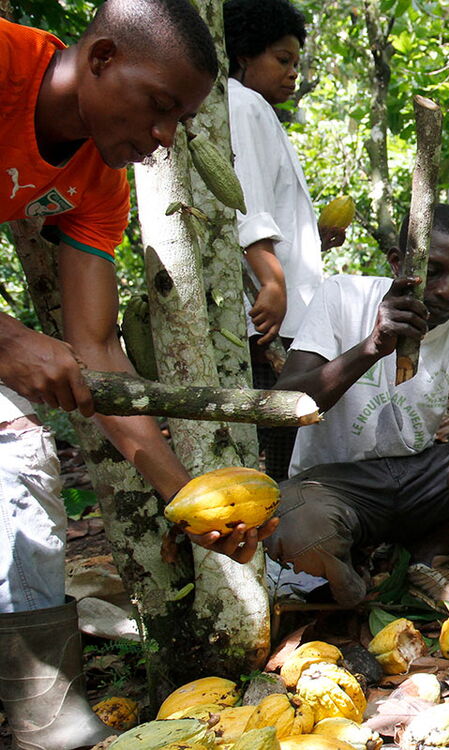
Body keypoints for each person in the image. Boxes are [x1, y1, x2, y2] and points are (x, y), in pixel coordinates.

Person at [0, 2, 267, 747]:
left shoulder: (97, 177)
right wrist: (8, 337)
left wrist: (186, 496)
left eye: (180, 120)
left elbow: (98, 353)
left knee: (16, 454)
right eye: (159, 107)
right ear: (102, 58)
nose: (163, 138)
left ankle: (43, 718)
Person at [266, 204, 449, 607]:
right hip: (335, 484)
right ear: (398, 263)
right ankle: (358, 581)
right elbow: (283, 406)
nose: (446, 291)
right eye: (433, 271)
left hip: (416, 481)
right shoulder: (341, 296)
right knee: (296, 527)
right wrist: (371, 348)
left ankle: (428, 555)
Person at [224, 0, 344, 480]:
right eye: (282, 59)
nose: (293, 72)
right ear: (244, 57)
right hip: (273, 316)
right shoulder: (243, 103)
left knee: (286, 438)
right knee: (280, 442)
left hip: (286, 311)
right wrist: (272, 281)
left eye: (296, 62)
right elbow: (247, 204)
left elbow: (268, 212)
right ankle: (280, 546)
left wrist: (313, 241)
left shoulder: (258, 110)